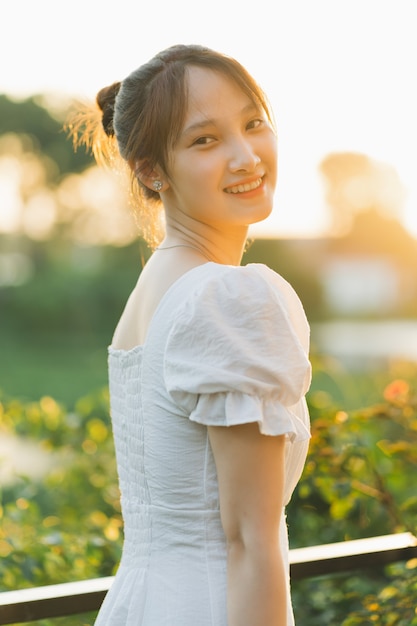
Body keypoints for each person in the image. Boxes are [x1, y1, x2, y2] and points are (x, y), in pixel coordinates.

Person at [68, 43, 311, 626]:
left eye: (253, 124)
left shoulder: (154, 286)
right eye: (205, 140)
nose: (246, 156)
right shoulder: (226, 296)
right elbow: (250, 542)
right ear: (152, 171)